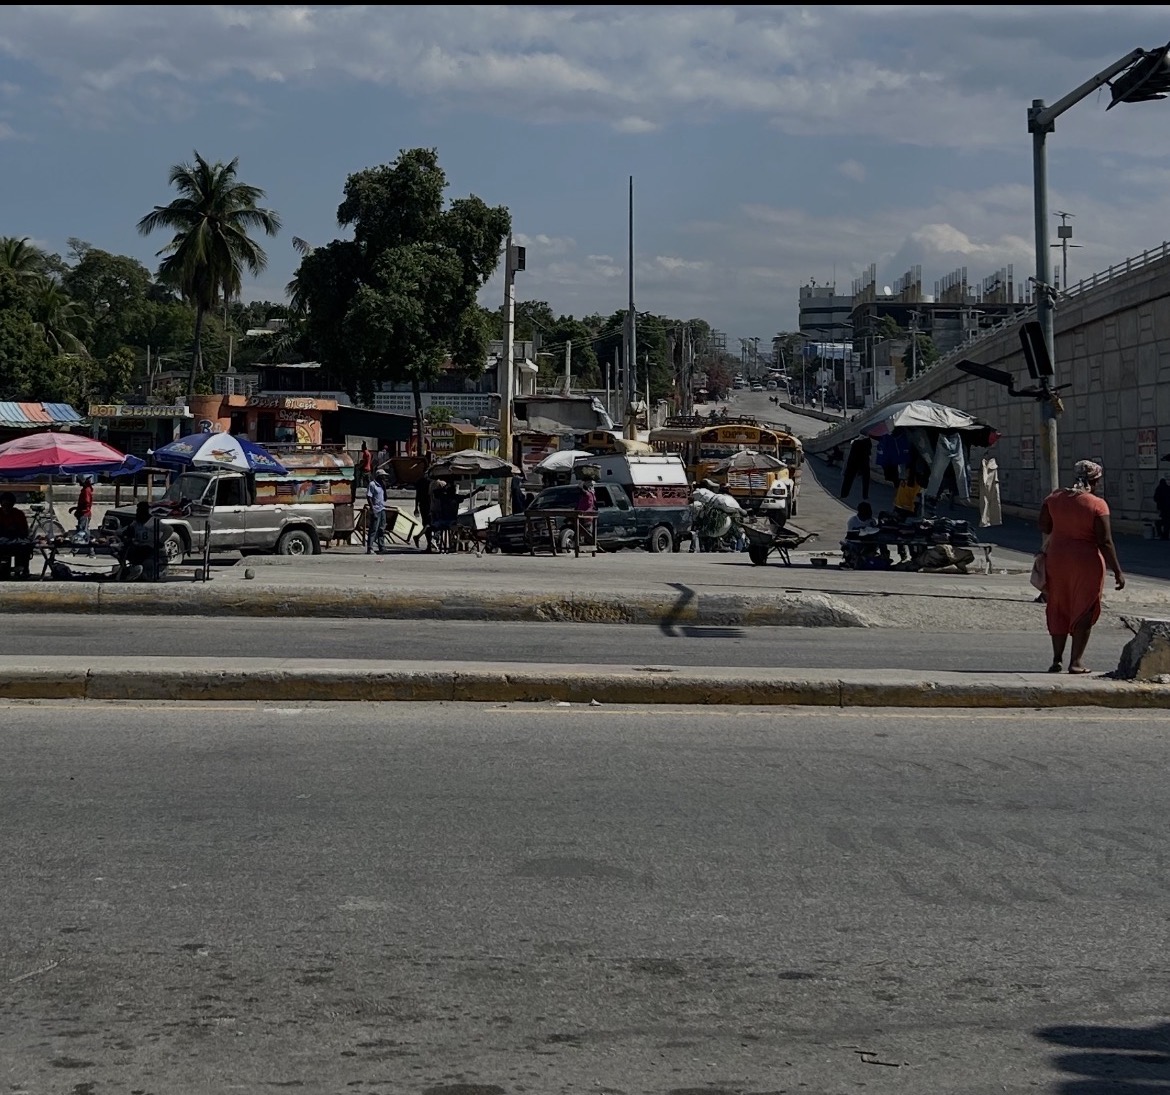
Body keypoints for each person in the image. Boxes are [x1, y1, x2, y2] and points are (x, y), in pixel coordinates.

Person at [1038, 459, 1125, 674]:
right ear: (1095, 480)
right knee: (1084, 607)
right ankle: (1076, 662)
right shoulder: (1097, 504)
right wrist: (1118, 571)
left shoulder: (1054, 498)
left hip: (1057, 560)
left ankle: (1056, 659)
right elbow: (1104, 541)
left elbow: (1044, 525)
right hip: (1086, 562)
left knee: (1058, 605)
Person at [118, 501, 175, 581]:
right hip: (140, 549)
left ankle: (151, 572)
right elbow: (125, 531)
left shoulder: (153, 522)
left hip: (153, 551)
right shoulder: (136, 523)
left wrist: (160, 541)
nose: (139, 512)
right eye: (138, 510)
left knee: (148, 568)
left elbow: (169, 529)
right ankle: (128, 571)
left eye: (141, 510)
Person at [0, 492, 32, 580]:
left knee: (24, 546)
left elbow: (24, 531)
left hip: (16, 539)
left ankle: (22, 569)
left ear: (12, 505)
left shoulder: (18, 514)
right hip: (2, 541)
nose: (6, 508)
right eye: (4, 505)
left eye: (8, 505)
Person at [365, 471, 387, 554]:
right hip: (376, 509)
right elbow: (369, 497)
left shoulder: (382, 485)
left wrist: (384, 488)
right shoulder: (372, 484)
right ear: (379, 476)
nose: (384, 478)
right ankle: (370, 547)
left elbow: (385, 499)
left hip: (382, 509)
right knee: (374, 529)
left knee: (382, 529)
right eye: (383, 476)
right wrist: (372, 509)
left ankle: (382, 546)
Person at [71, 477, 94, 544]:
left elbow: (86, 502)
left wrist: (78, 509)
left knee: (81, 531)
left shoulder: (86, 490)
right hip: (83, 513)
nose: (79, 483)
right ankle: (91, 551)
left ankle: (74, 551)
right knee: (85, 531)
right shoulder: (85, 490)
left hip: (85, 513)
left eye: (80, 481)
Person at [1155, 477, 1170, 541]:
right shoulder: (1168, 488)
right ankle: (1165, 535)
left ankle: (1161, 534)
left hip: (1163, 509)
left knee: (1161, 522)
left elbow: (1155, 498)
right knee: (1167, 522)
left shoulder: (1159, 488)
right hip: (1168, 509)